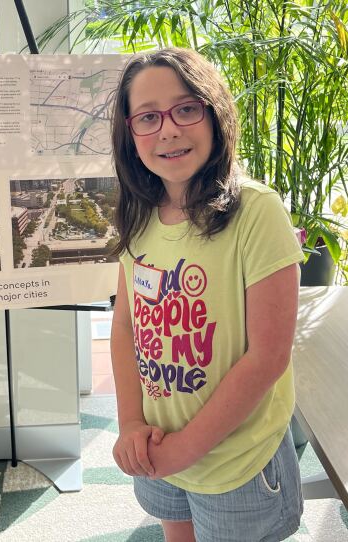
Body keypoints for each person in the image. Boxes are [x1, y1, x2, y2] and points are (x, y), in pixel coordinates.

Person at [108, 47, 305, 542]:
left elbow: (268, 357)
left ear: (214, 115)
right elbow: (126, 327)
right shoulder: (140, 215)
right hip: (159, 442)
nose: (169, 130)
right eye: (148, 117)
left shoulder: (256, 212)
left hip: (236, 457)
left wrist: (186, 448)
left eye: (187, 108)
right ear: (130, 136)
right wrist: (131, 423)